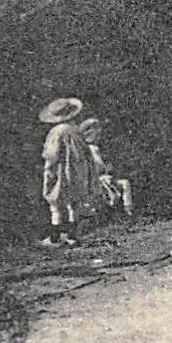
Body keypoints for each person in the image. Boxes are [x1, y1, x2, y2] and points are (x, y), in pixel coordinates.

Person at [39, 98, 96, 248]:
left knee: (55, 203)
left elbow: (52, 154)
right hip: (77, 170)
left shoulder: (56, 132)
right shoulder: (76, 131)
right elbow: (86, 152)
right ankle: (72, 235)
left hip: (60, 170)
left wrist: (49, 168)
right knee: (73, 203)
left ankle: (55, 237)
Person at [80, 119, 133, 218]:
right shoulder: (92, 149)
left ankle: (126, 211)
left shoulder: (90, 149)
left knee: (123, 183)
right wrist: (106, 170)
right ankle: (126, 211)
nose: (99, 137)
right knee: (120, 184)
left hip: (95, 179)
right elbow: (98, 166)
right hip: (95, 180)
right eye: (97, 135)